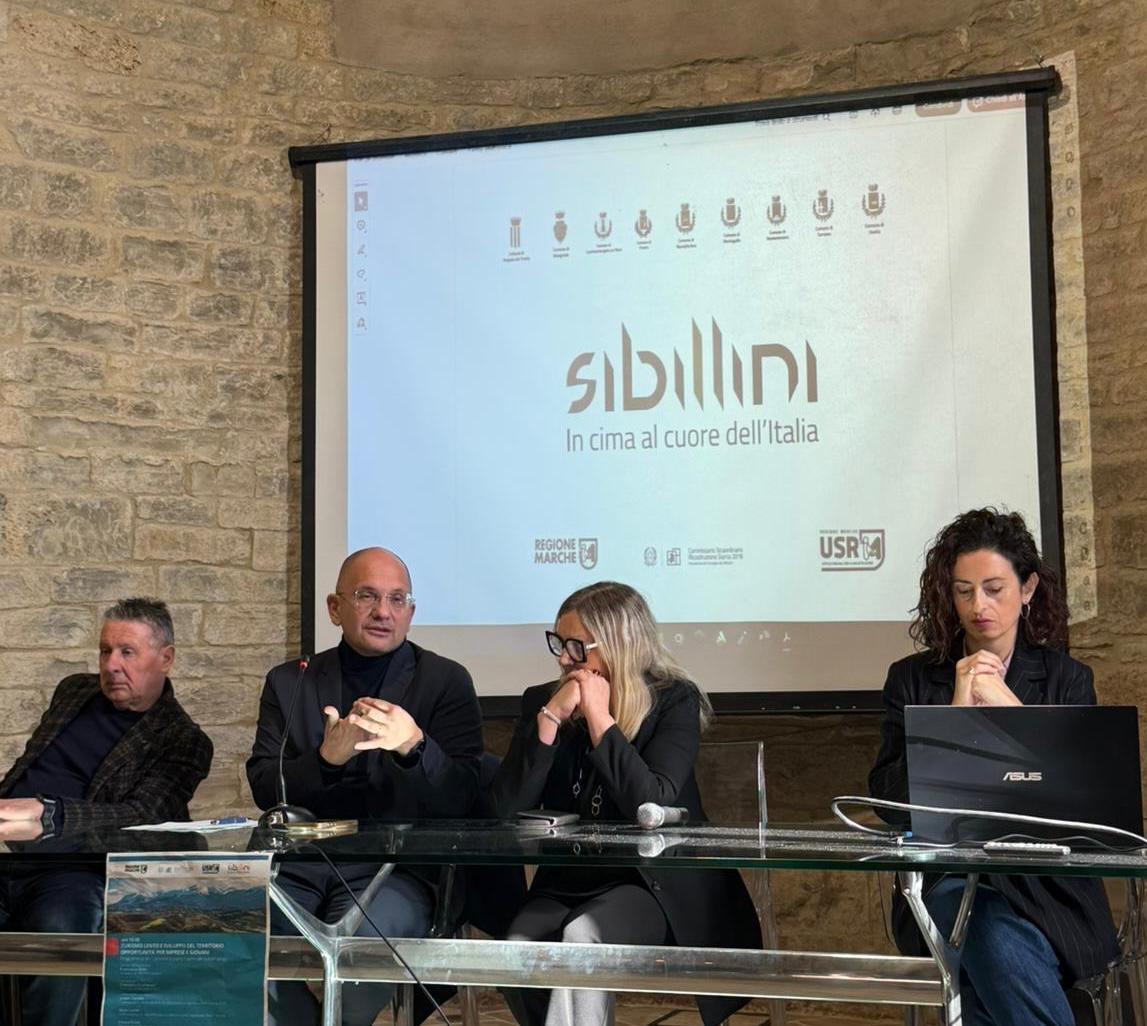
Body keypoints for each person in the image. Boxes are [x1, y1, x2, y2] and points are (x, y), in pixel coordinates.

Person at [869, 508, 1118, 1026]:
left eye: (993, 589)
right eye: (964, 591)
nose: (978, 606)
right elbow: (890, 803)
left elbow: (1083, 804)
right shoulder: (913, 680)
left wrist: (1013, 714)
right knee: (985, 931)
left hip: (1049, 887)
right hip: (947, 881)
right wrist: (955, 719)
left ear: (1027, 589)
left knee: (986, 964)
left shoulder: (1066, 680)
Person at [492, 581, 761, 1026]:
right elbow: (504, 810)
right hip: (568, 882)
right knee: (515, 951)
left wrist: (601, 718)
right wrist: (551, 721)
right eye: (559, 644)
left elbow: (649, 802)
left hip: (653, 884)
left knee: (582, 937)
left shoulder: (673, 699)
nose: (563, 659)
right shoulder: (544, 702)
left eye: (576, 647)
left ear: (617, 646)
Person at [247, 546, 482, 1026]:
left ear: (410, 613)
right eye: (366, 596)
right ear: (335, 608)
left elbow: (465, 797)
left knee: (358, 964)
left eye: (397, 600)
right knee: (239, 946)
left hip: (399, 869)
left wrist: (415, 747)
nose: (383, 612)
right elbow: (265, 787)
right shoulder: (290, 682)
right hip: (300, 866)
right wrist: (326, 760)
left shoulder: (445, 681)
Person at [0, 596, 214, 1026]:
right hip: (7, 851)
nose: (111, 664)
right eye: (105, 650)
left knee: (62, 934)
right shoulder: (74, 691)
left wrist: (50, 815)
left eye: (127, 652)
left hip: (74, 870)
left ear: (166, 658)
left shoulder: (183, 740)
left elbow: (142, 816)